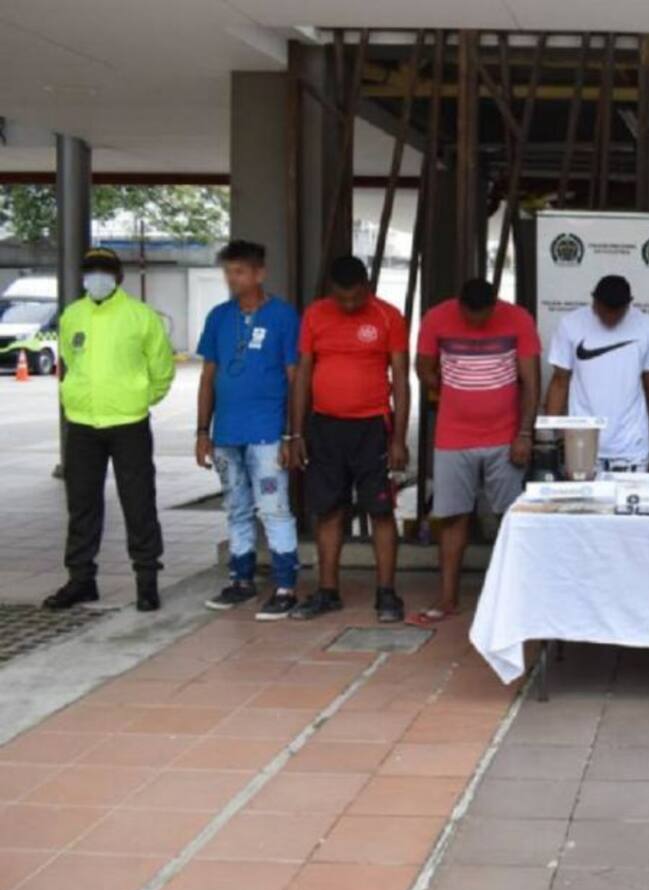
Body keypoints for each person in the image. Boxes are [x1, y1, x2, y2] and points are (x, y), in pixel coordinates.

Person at [44, 247, 175, 613]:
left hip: (128, 423)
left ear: (118, 277)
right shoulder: (72, 315)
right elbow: (71, 362)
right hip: (83, 423)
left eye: (103, 271)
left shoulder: (140, 316)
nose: (96, 278)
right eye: (90, 271)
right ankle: (81, 580)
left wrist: (139, 397)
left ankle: (147, 582)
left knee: (138, 503)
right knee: (82, 504)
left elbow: (162, 367)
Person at [289, 255, 409, 622]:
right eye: (341, 298)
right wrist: (296, 432)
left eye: (355, 298)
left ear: (367, 287)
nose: (348, 305)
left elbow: (402, 381)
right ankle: (327, 591)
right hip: (325, 427)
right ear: (331, 291)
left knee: (381, 511)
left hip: (373, 427)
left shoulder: (388, 316)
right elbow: (303, 377)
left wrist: (399, 439)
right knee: (329, 510)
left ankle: (387, 594)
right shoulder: (315, 315)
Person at [414, 278, 540, 625]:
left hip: (505, 437)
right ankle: (447, 598)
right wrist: (448, 390)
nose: (476, 322)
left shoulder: (518, 319)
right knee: (453, 517)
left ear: (495, 304)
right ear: (459, 304)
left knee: (509, 519)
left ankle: (513, 599)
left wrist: (524, 434)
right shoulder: (437, 319)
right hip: (453, 436)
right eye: (469, 316)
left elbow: (531, 381)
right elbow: (423, 367)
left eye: (483, 315)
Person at [195, 241, 301, 620]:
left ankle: (286, 585)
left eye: (239, 271)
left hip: (267, 434)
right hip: (226, 434)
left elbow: (294, 378)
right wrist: (202, 431)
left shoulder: (283, 317)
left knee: (274, 509)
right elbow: (208, 376)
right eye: (228, 271)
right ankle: (241, 581)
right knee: (236, 509)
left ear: (259, 273)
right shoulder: (218, 316)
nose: (231, 278)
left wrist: (292, 434)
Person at [545, 275, 649, 472]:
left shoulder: (647, 327)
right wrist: (548, 437)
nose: (610, 317)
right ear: (594, 301)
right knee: (581, 504)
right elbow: (559, 382)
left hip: (632, 446)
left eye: (617, 312)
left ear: (629, 305)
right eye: (605, 310)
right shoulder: (571, 324)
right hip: (582, 443)